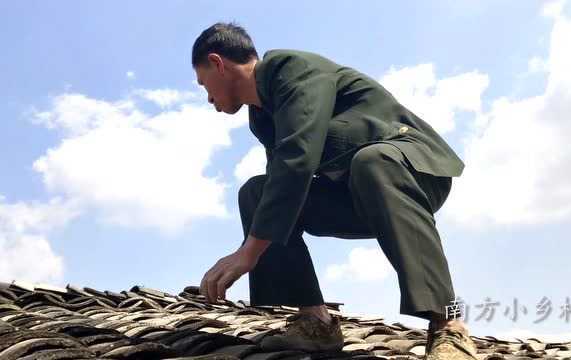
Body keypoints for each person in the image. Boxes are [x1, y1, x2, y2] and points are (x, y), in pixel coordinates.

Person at [193, 22, 479, 360]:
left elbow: (297, 160)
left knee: (372, 161)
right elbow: (282, 185)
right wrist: (251, 245)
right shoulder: (262, 118)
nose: (208, 97)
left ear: (218, 63)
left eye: (203, 83)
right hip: (355, 196)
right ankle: (316, 322)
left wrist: (249, 252)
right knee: (257, 193)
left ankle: (448, 327)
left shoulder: (291, 68)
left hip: (411, 174)